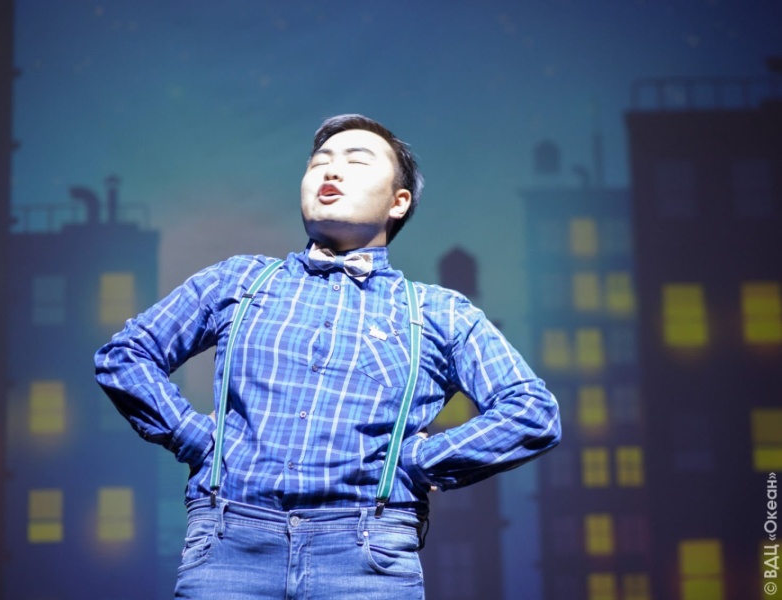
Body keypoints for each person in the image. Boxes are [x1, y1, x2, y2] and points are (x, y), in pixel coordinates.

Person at [94, 114, 561, 599]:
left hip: (368, 557)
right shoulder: (239, 281)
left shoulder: (438, 312)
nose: (331, 171)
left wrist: (420, 461)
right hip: (229, 547)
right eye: (319, 162)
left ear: (399, 202)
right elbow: (125, 355)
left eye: (356, 162)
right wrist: (195, 440)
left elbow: (532, 412)